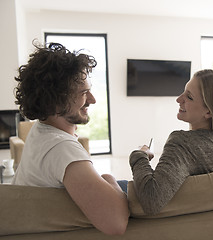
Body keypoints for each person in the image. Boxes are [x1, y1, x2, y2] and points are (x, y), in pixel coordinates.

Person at [11, 42, 129, 235]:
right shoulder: (61, 148)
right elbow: (116, 223)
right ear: (55, 100)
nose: (92, 99)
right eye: (83, 93)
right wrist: (109, 178)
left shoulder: (40, 129)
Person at [129, 69, 213, 215]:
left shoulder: (182, 143)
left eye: (189, 97)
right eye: (183, 91)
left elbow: (151, 200)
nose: (179, 99)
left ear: (209, 112)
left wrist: (139, 155)